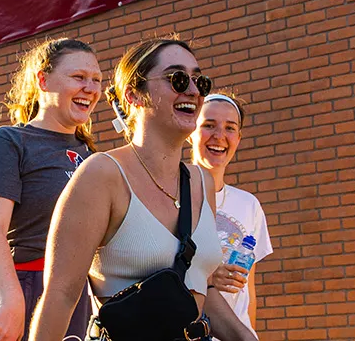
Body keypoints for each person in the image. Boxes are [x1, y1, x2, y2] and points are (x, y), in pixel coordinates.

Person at [30, 37, 256, 341]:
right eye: (177, 79)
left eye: (199, 81)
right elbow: (60, 296)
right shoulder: (102, 174)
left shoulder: (201, 181)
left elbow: (199, 286)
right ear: (134, 95)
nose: (192, 90)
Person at [0, 38, 101, 341]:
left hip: (80, 297)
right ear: (43, 80)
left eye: (96, 80)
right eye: (78, 77)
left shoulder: (94, 157)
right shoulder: (8, 142)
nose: (91, 88)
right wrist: (12, 301)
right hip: (26, 286)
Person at [192, 92, 273, 339]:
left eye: (230, 128)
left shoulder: (249, 205)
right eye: (208, 125)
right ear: (190, 132)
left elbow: (248, 291)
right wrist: (207, 278)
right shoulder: (170, 196)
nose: (219, 136)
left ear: (238, 138)